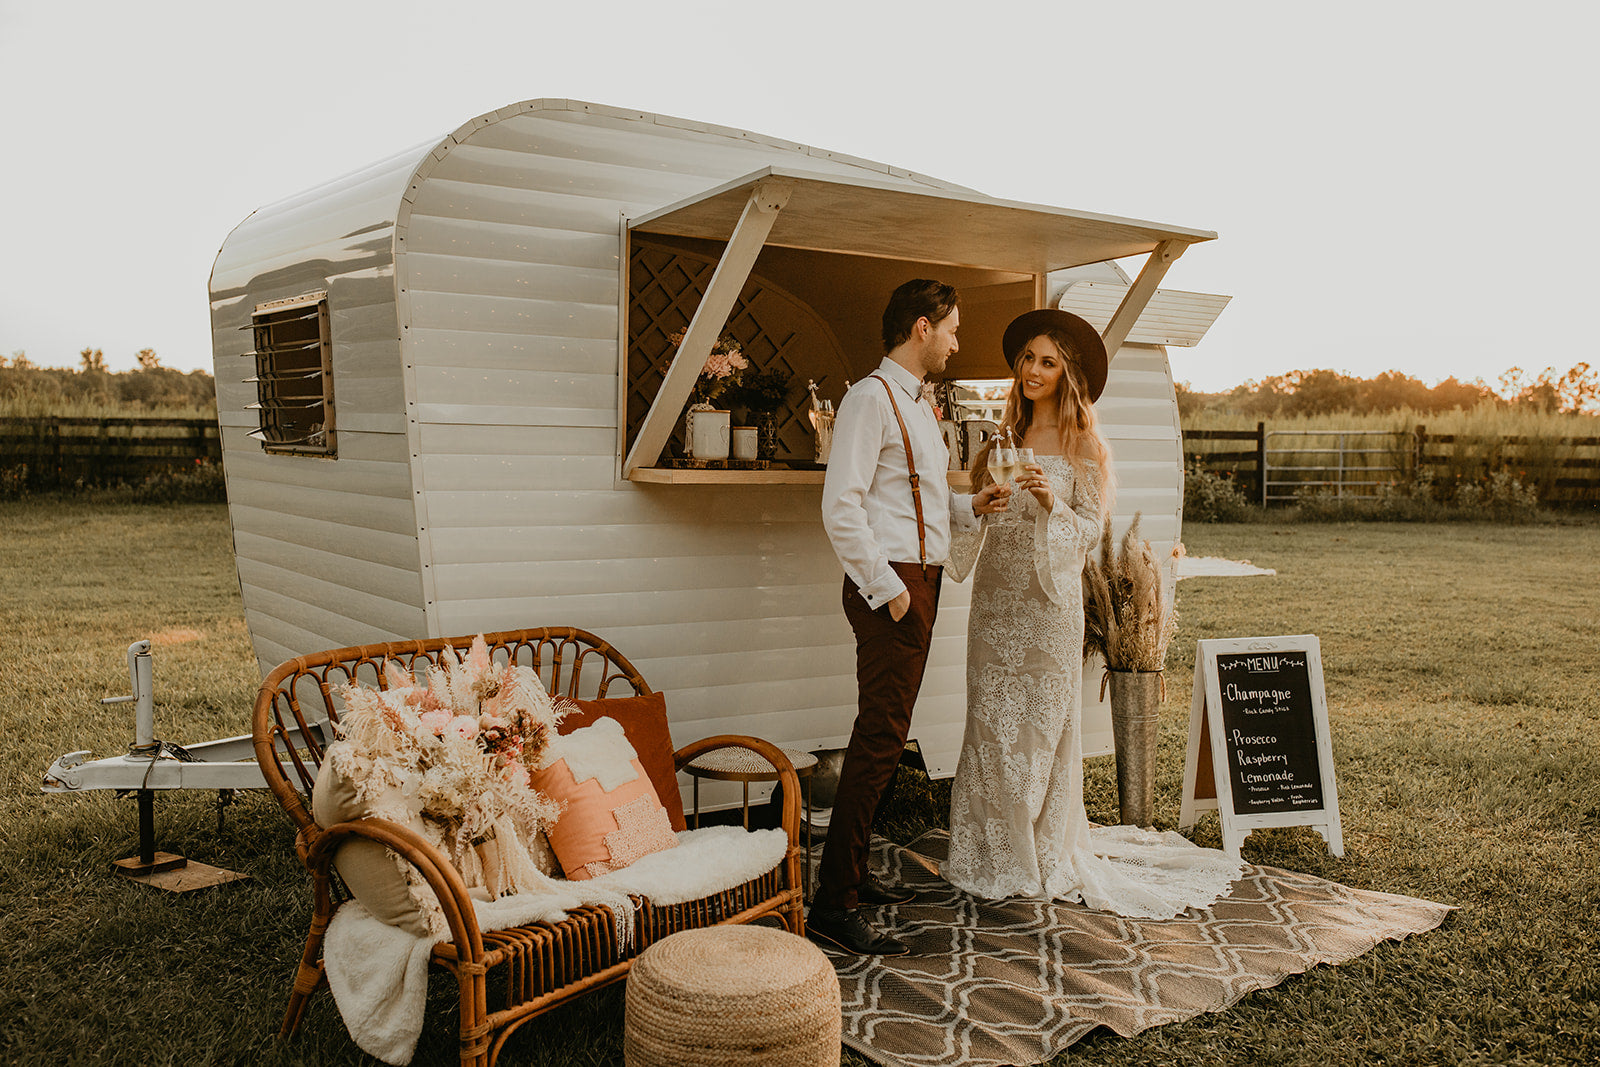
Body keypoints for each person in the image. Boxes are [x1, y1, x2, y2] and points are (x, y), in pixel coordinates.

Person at [943, 308, 1241, 918]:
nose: (1032, 370)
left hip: (1049, 609)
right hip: (997, 601)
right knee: (991, 725)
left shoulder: (1084, 445)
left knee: (1039, 731)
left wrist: (1053, 504)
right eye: (1027, 358)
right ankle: (987, 853)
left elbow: (1089, 530)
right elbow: (975, 510)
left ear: (1067, 374)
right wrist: (986, 501)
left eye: (1046, 362)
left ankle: (1037, 852)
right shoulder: (1003, 436)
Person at [811, 279, 1012, 956]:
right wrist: (887, 590)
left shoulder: (920, 404)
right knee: (878, 739)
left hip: (918, 581)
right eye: (953, 328)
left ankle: (853, 875)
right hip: (892, 588)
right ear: (922, 327)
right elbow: (842, 505)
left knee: (885, 739)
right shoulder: (870, 398)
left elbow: (915, 506)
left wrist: (970, 509)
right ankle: (833, 902)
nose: (958, 340)